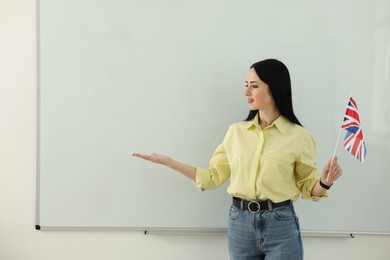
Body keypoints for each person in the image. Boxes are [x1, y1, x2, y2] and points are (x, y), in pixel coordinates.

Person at [132, 58, 343, 260]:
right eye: (246, 85)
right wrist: (169, 162)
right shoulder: (235, 132)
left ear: (274, 88)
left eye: (254, 86)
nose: (246, 92)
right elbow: (213, 177)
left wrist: (325, 181)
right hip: (240, 224)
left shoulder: (299, 137)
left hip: (281, 225)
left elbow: (308, 187)